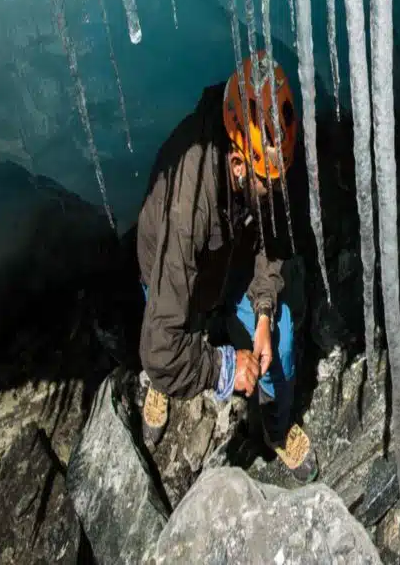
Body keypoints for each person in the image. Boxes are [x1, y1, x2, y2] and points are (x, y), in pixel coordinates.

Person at [136, 51, 318, 481]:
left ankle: (275, 428)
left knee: (280, 339)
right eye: (268, 184)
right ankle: (164, 384)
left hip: (230, 253)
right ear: (238, 164)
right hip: (175, 267)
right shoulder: (187, 212)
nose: (277, 190)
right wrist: (225, 368)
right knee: (167, 337)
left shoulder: (268, 148)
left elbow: (272, 240)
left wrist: (263, 312)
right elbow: (161, 346)